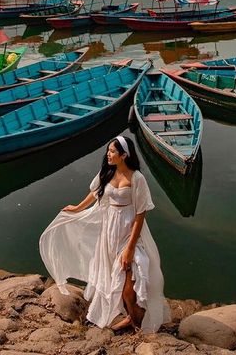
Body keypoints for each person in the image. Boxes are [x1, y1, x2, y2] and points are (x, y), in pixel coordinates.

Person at [39, 136, 170, 333]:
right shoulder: (107, 172)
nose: (108, 154)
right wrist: (77, 208)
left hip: (129, 232)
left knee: (129, 283)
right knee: (115, 277)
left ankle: (137, 323)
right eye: (108, 151)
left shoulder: (136, 179)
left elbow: (141, 214)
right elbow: (95, 192)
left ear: (124, 155)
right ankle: (131, 318)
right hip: (109, 232)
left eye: (112, 152)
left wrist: (130, 248)